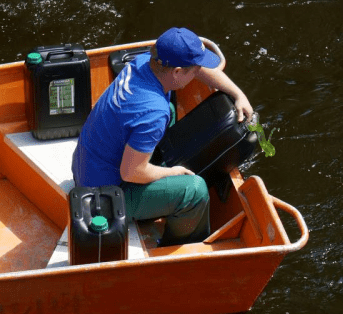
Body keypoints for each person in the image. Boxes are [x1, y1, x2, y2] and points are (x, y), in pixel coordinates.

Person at [72, 27, 254, 246]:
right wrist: (172, 172)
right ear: (177, 71)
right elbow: (131, 172)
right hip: (103, 198)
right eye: (194, 69)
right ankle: (182, 247)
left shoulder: (145, 63)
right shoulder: (153, 113)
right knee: (194, 191)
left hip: (87, 166)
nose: (198, 72)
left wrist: (239, 95)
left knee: (170, 110)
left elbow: (199, 70)